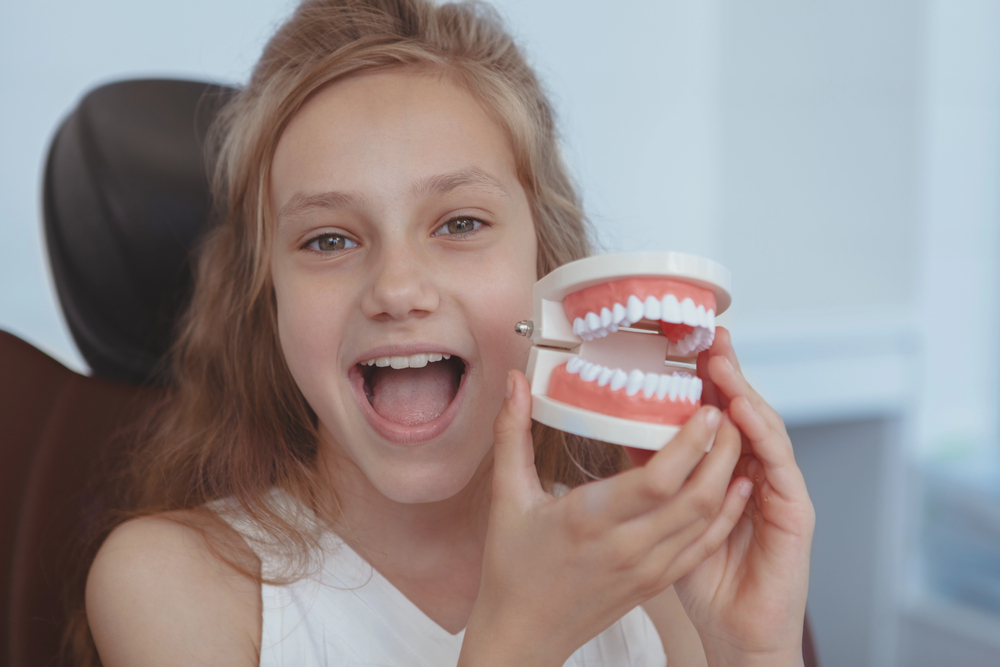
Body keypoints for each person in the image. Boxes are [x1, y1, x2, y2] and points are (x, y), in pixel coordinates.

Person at [82, 0, 815, 665]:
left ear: (547, 266)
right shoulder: (173, 585)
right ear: (265, 294)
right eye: (329, 240)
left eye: (461, 223)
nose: (398, 289)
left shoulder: (654, 576)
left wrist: (752, 650)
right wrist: (519, 638)